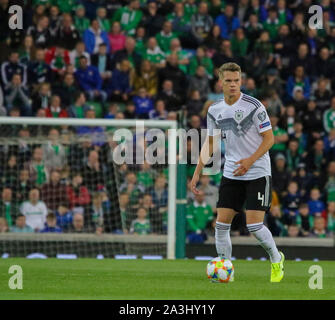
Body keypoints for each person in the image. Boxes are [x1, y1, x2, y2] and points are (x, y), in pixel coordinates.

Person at [190, 62, 284, 283]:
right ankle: (225, 270)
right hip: (232, 172)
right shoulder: (214, 109)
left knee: (254, 225)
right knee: (221, 225)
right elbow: (211, 142)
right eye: (228, 81)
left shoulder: (254, 105)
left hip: (258, 171)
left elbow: (270, 138)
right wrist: (197, 171)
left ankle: (276, 257)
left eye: (236, 80)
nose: (233, 85)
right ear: (220, 82)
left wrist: (250, 161)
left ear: (241, 81)